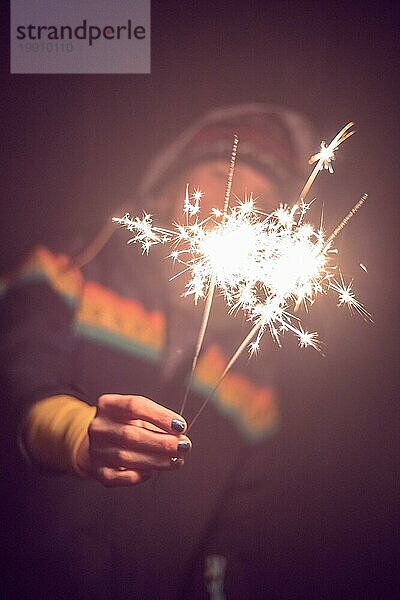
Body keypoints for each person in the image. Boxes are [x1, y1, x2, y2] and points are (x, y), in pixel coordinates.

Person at [0, 104, 313, 599]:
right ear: (167, 190)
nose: (239, 203)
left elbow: (238, 532)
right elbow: (16, 385)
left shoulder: (254, 373)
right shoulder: (69, 269)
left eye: (262, 196)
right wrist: (80, 434)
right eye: (221, 175)